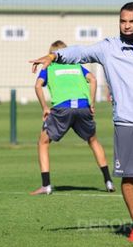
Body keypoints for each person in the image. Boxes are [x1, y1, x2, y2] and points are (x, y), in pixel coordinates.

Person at [31, 2, 133, 243]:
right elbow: (80, 52)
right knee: (130, 175)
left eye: (132, 21)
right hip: (127, 122)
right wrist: (55, 56)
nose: (126, 26)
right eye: (123, 21)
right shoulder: (109, 48)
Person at [31, 40, 115, 195]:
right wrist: (91, 102)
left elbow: (37, 86)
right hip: (83, 106)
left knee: (43, 142)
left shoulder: (50, 67)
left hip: (62, 108)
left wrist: (44, 108)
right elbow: (93, 80)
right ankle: (108, 181)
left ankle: (46, 185)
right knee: (93, 140)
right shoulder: (77, 66)